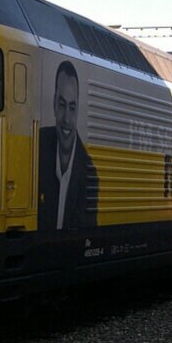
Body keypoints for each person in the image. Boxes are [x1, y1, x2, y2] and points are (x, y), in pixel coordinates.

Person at [38, 60, 98, 230]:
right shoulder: (38, 147)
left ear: (78, 110)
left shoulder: (89, 172)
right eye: (62, 105)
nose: (66, 119)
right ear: (54, 104)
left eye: (72, 108)